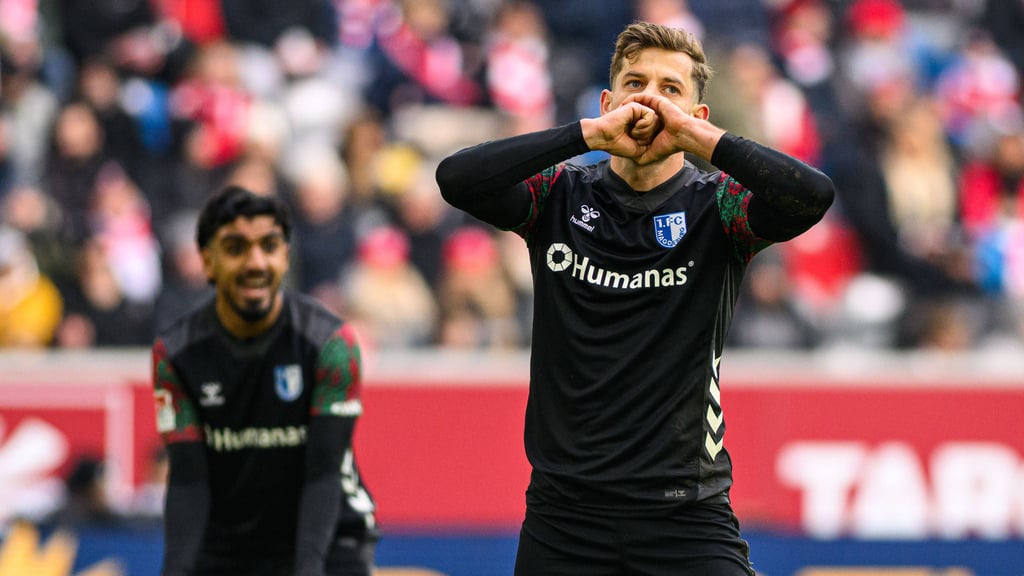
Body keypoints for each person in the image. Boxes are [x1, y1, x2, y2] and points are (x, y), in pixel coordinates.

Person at [435, 21, 835, 575]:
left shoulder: (718, 209)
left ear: (697, 117)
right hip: (564, 517)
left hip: (685, 516)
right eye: (634, 83)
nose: (648, 97)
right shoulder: (558, 195)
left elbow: (813, 197)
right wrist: (585, 137)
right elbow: (456, 179)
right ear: (608, 102)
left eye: (670, 89)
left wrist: (703, 142)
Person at [150, 185, 376, 576]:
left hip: (330, 537)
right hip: (226, 545)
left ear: (285, 257)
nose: (256, 262)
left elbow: (322, 473)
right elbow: (188, 481)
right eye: (236, 248)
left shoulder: (330, 344)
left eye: (269, 246)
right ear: (207, 261)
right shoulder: (176, 353)